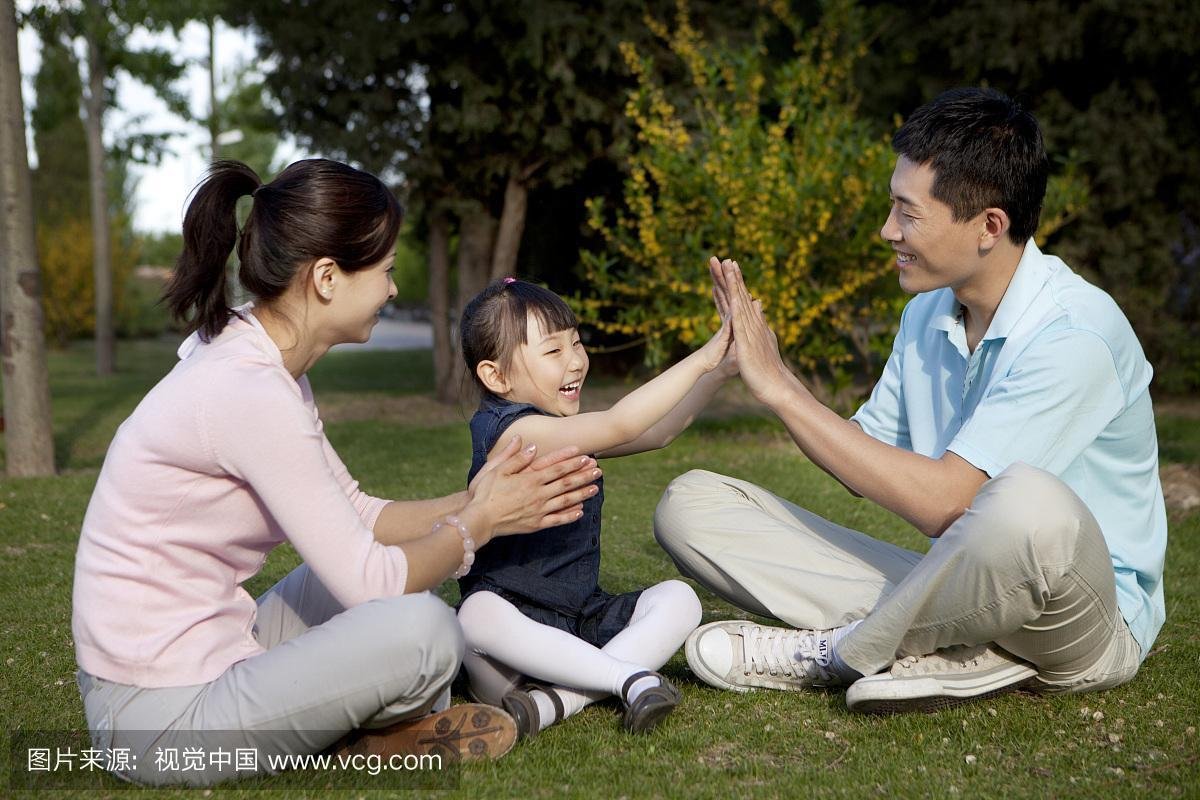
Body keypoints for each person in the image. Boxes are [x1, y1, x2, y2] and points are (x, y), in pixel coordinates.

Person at [71, 159, 603, 786]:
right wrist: (479, 522)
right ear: (327, 278)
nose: (393, 290)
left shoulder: (260, 356)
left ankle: (356, 728)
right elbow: (373, 583)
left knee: (409, 566)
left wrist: (475, 498)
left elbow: (359, 514)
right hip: (153, 719)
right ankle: (361, 732)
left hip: (212, 646)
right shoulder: (249, 391)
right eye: (385, 272)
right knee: (425, 628)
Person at [655, 88, 1167, 714]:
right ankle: (960, 654)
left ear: (989, 227)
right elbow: (861, 458)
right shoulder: (927, 314)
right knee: (691, 505)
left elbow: (947, 503)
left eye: (908, 212)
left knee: (1025, 501)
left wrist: (783, 389)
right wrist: (771, 379)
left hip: (1082, 615)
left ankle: (837, 653)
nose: (887, 230)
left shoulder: (1075, 333)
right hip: (968, 588)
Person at [452, 278, 732, 737]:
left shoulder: (560, 428)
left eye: (576, 343)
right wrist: (703, 355)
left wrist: (720, 370)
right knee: (476, 614)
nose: (576, 360)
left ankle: (555, 703)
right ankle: (625, 678)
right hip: (507, 639)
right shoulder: (509, 432)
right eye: (553, 351)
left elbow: (657, 432)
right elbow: (621, 424)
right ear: (496, 377)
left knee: (680, 599)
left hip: (580, 619)